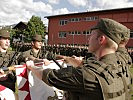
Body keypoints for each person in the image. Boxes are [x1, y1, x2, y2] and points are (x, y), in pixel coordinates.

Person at [26, 18, 132, 100]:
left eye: (91, 35)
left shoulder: (85, 75)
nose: (88, 38)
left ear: (101, 39)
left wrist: (32, 66)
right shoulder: (122, 61)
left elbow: (49, 76)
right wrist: (72, 60)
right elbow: (100, 67)